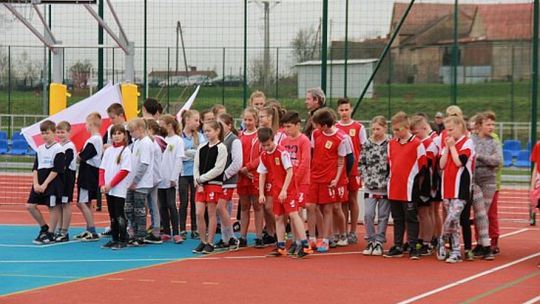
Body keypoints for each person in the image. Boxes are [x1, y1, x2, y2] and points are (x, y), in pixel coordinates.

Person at [257, 127, 313, 258]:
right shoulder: (264, 155)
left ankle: (305, 245)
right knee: (278, 217)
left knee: (293, 214)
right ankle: (281, 246)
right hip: (277, 189)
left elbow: (290, 171)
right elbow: (262, 174)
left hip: (288, 188)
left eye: (268, 144)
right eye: (264, 145)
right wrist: (261, 193)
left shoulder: (282, 152)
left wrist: (284, 190)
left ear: (273, 140)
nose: (266, 147)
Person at [383, 112, 426, 260]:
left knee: (411, 218)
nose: (395, 133)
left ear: (407, 127)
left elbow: (423, 168)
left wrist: (419, 188)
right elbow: (389, 165)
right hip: (394, 187)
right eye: (393, 130)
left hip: (409, 188)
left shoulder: (417, 144)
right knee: (397, 218)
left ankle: (413, 246)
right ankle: (398, 245)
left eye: (398, 129)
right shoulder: (391, 144)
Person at [309, 108, 351, 253]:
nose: (315, 127)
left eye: (317, 124)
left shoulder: (341, 138)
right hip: (315, 176)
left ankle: (327, 239)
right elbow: (313, 153)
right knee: (313, 207)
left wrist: (336, 178)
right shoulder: (315, 134)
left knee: (330, 208)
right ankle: (314, 238)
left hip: (330, 178)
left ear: (325, 125)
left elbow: (342, 161)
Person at [437, 115, 474, 264]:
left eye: (451, 129)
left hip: (461, 188)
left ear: (460, 127)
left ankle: (441, 239)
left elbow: (460, 162)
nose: (449, 133)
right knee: (455, 223)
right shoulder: (447, 143)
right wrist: (447, 148)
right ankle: (456, 251)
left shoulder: (468, 142)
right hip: (447, 187)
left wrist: (452, 147)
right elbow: (441, 164)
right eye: (447, 130)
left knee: (452, 217)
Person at [192, 121, 228, 254]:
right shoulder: (201, 147)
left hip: (214, 184)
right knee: (199, 213)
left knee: (211, 212)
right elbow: (196, 166)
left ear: (217, 130)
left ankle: (210, 242)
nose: (207, 133)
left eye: (209, 131)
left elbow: (218, 169)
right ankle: (202, 240)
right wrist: (198, 180)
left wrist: (202, 178)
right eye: (205, 131)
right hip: (201, 185)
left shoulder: (221, 148)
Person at [27, 120, 65, 244]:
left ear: (54, 133)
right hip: (40, 180)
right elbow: (35, 168)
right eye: (42, 133)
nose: (44, 135)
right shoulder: (40, 149)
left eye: (47, 133)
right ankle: (44, 228)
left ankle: (51, 233)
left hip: (52, 182)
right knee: (30, 206)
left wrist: (45, 184)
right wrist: (36, 184)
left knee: (52, 206)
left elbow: (57, 169)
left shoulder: (59, 149)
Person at [336, 98, 367, 245]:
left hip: (354, 170)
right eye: (341, 110)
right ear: (338, 111)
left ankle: (353, 232)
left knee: (352, 200)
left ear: (351, 110)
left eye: (346, 109)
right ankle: (342, 231)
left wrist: (361, 168)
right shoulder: (335, 127)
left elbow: (364, 148)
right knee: (342, 201)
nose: (344, 113)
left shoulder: (359, 127)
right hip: (340, 171)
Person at [281, 111, 311, 254]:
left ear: (298, 125)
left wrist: (295, 180)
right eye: (284, 127)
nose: (286, 130)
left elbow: (305, 163)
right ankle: (294, 240)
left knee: (297, 211)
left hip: (301, 182)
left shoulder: (304, 140)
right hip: (289, 182)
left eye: (289, 126)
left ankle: (301, 241)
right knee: (291, 212)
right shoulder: (284, 141)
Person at [470, 113, 499, 260]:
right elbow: (469, 157)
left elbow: (497, 161)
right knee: (480, 212)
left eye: (492, 124)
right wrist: (484, 160)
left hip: (489, 180)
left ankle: (482, 245)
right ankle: (486, 246)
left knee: (483, 213)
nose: (491, 127)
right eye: (488, 124)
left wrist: (480, 157)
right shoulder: (471, 139)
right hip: (474, 180)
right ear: (479, 125)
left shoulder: (494, 141)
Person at [360, 116, 390, 256]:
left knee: (383, 215)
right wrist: (365, 177)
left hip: (385, 186)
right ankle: (371, 239)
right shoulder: (367, 144)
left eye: (379, 128)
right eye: (373, 129)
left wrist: (389, 179)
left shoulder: (390, 144)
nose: (376, 131)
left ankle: (379, 241)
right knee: (368, 214)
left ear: (385, 128)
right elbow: (361, 162)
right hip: (370, 185)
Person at [99, 124, 131, 250]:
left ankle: (123, 239)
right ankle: (114, 238)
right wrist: (102, 184)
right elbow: (102, 168)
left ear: (124, 135)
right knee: (112, 214)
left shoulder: (126, 151)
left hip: (118, 188)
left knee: (119, 214)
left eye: (119, 133)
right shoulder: (108, 151)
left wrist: (110, 184)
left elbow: (124, 171)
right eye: (114, 134)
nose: (116, 136)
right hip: (108, 189)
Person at [410, 115, 438, 256]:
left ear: (424, 128)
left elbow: (428, 167)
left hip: (427, 183)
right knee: (422, 213)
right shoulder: (420, 143)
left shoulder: (429, 144)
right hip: (420, 183)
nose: (414, 136)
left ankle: (428, 241)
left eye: (416, 133)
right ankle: (423, 238)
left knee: (425, 213)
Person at [214, 113, 241, 251]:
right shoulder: (219, 140)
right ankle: (225, 238)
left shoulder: (234, 140)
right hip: (218, 180)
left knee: (220, 207)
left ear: (229, 125)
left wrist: (224, 175)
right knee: (220, 209)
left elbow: (237, 162)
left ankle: (231, 237)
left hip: (227, 180)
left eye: (221, 125)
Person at [125, 118, 155, 246]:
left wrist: (135, 181)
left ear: (140, 129)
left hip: (141, 183)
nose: (131, 134)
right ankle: (134, 231)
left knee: (139, 209)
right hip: (133, 182)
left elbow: (144, 163)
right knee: (129, 208)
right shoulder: (137, 142)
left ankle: (140, 235)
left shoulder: (146, 143)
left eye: (132, 131)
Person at [237, 107, 264, 247]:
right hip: (242, 176)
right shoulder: (240, 136)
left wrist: (248, 167)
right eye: (245, 119)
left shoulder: (259, 135)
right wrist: (241, 169)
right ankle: (242, 236)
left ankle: (259, 236)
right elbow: (236, 155)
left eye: (250, 120)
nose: (247, 122)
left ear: (256, 120)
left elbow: (262, 156)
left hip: (255, 176)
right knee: (244, 207)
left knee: (258, 207)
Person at [74, 112, 103, 241]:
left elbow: (82, 156)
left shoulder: (94, 139)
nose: (85, 126)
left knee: (81, 202)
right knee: (86, 202)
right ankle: (88, 229)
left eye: (86, 124)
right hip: (89, 172)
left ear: (91, 124)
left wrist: (79, 156)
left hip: (88, 173)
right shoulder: (96, 139)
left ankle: (92, 230)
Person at [158, 114, 185, 244]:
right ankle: (166, 231)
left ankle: (176, 232)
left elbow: (178, 160)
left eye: (162, 124)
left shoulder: (177, 140)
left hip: (170, 178)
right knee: (162, 205)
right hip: (160, 178)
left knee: (171, 204)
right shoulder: (159, 139)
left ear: (169, 125)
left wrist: (174, 177)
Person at [180, 110, 206, 240]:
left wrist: (188, 153)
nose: (198, 123)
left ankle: (195, 228)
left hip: (196, 174)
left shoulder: (200, 136)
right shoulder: (180, 136)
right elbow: (180, 155)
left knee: (195, 201)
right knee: (183, 201)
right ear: (187, 120)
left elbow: (200, 153)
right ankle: (182, 229)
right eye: (195, 120)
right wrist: (191, 153)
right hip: (183, 173)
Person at [55, 121, 76, 242]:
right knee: (60, 203)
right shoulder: (58, 146)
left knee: (66, 203)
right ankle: (60, 229)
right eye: (58, 132)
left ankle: (64, 231)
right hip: (60, 176)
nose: (60, 134)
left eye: (63, 132)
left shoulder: (69, 146)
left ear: (68, 132)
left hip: (67, 176)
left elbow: (65, 163)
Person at [144, 119, 164, 245]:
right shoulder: (157, 141)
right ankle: (156, 230)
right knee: (153, 205)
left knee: (144, 204)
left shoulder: (151, 142)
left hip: (149, 177)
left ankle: (138, 230)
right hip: (155, 176)